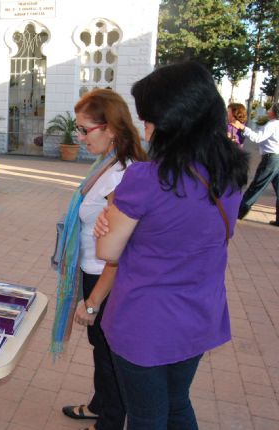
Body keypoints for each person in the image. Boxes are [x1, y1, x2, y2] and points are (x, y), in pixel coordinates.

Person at [94, 61, 249, 429]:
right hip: (198, 313)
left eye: (148, 119)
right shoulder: (230, 174)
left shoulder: (145, 178)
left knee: (147, 417)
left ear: (173, 122)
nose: (145, 129)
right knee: (178, 405)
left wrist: (111, 216)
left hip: (145, 322)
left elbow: (107, 252)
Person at [53, 90, 147, 430]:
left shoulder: (123, 174)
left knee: (109, 354)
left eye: (84, 129)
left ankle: (108, 422)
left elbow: (120, 250)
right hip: (92, 269)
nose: (78, 137)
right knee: (100, 348)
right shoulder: (107, 162)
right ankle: (99, 404)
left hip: (106, 278)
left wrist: (93, 301)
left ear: (110, 127)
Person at [231, 102, 279, 226]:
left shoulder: (272, 125)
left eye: (270, 109)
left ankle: (238, 213)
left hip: (271, 159)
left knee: (256, 187)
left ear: (274, 112)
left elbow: (257, 138)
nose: (268, 111)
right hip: (277, 159)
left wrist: (243, 128)